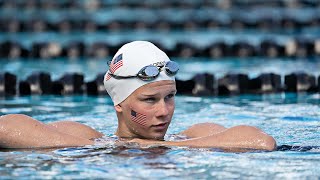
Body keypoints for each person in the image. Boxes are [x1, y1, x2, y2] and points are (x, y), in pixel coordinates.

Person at [0, 41, 276, 151]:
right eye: (149, 100)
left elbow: (262, 142)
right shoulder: (89, 139)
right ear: (119, 102)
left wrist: (161, 147)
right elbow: (6, 127)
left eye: (169, 97)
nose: (164, 111)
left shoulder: (194, 134)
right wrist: (106, 149)